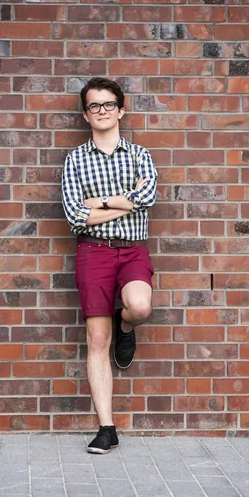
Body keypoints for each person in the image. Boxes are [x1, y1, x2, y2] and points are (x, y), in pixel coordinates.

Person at [61, 77, 158, 454]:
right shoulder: (76, 160)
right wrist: (123, 200)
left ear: (121, 109)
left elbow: (147, 196)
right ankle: (106, 428)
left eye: (107, 104)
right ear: (85, 115)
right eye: (93, 106)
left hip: (133, 249)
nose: (101, 111)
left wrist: (96, 204)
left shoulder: (139, 154)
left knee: (139, 306)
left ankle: (126, 325)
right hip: (93, 253)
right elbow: (74, 216)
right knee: (96, 341)